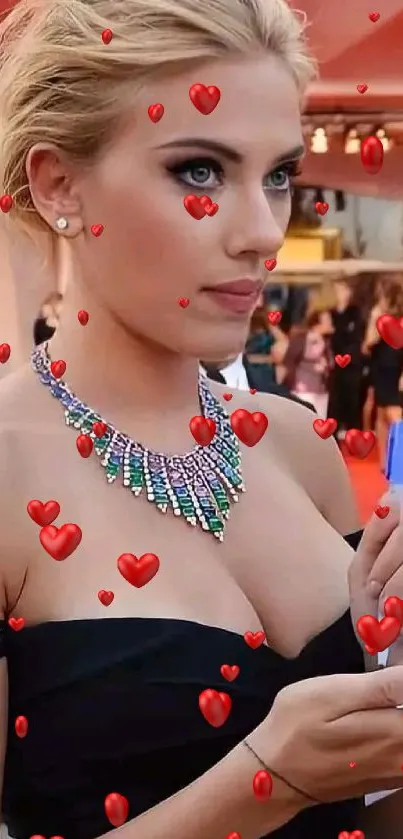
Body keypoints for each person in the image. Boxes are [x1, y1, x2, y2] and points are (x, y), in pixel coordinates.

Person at [1, 2, 403, 839]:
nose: (262, 232)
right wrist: (266, 781)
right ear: (58, 184)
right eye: (198, 171)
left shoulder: (298, 445)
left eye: (280, 175)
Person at [363, 275, 403, 471]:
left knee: (395, 414)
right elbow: (368, 345)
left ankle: (397, 460)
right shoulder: (379, 315)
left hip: (396, 367)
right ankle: (385, 462)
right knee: (380, 414)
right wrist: (374, 320)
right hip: (382, 367)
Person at [327, 278, 365, 438]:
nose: (343, 294)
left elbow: (355, 337)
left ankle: (353, 436)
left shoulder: (355, 312)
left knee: (352, 402)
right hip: (333, 365)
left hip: (352, 365)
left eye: (346, 290)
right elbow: (333, 337)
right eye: (339, 290)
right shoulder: (330, 314)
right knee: (334, 404)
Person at [282, 308, 334, 418]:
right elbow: (289, 360)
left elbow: (330, 364)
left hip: (321, 391)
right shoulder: (302, 339)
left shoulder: (326, 341)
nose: (331, 323)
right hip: (303, 391)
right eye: (327, 320)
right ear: (317, 324)